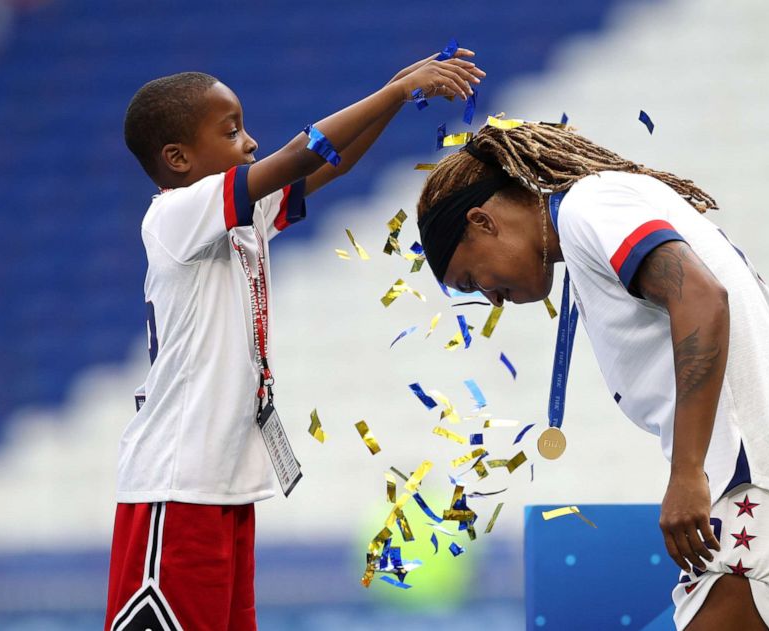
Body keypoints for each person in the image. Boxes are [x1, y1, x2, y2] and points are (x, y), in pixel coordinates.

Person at [415, 122, 769, 630]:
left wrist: (688, 472)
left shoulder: (588, 207)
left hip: (758, 493)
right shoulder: (605, 208)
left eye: (472, 279)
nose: (490, 298)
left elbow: (700, 297)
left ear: (483, 222)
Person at [106, 50, 485, 631]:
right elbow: (295, 157)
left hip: (221, 485)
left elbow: (325, 166)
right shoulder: (177, 215)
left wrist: (397, 92)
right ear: (177, 158)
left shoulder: (234, 218)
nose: (250, 140)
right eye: (231, 131)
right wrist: (393, 92)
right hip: (176, 487)